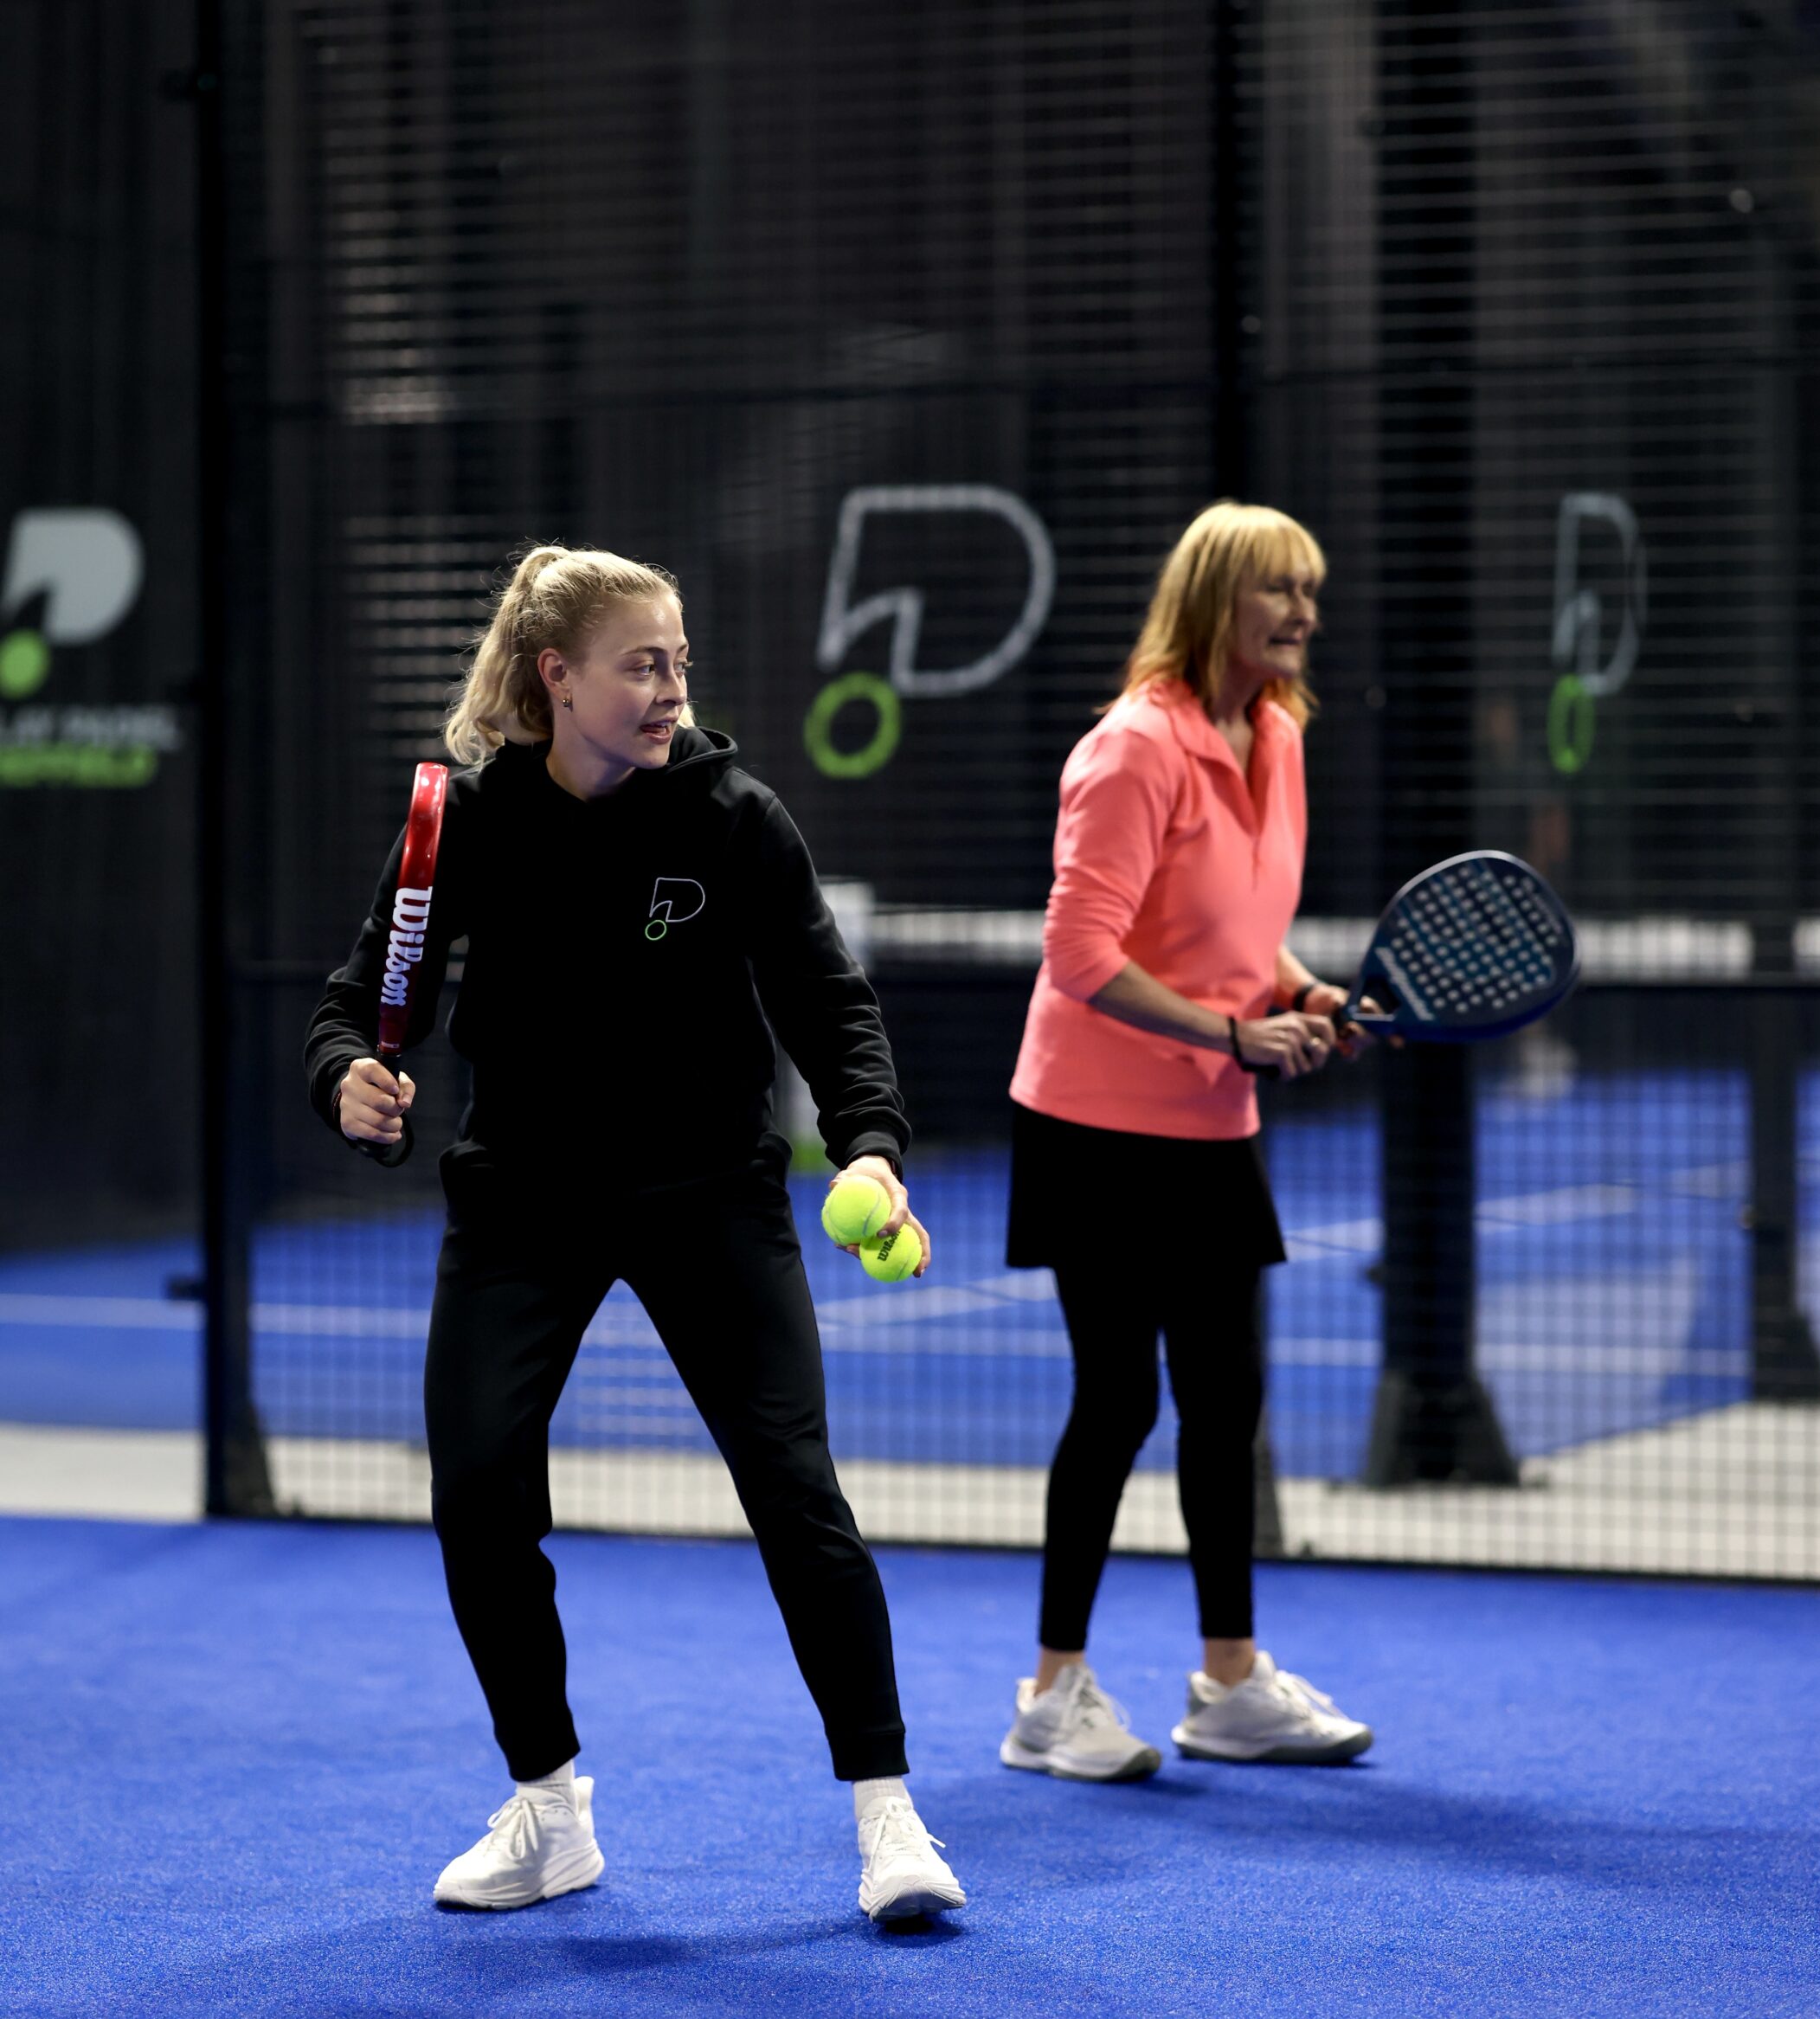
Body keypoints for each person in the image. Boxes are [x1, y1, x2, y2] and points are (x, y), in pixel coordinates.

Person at [305, 543, 965, 1923]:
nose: (671, 689)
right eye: (641, 665)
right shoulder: (467, 822)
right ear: (557, 677)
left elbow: (828, 1001)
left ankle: (889, 1815)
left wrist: (872, 1144)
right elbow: (361, 997)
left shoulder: (735, 817)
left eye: (679, 663)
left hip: (709, 1195)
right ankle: (548, 1812)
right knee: (478, 1491)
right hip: (523, 1200)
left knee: (795, 1492)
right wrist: (346, 1077)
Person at [1000, 500, 1376, 1782]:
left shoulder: (1277, 735)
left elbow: (1235, 927)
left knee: (1227, 1402)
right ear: (1217, 598)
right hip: (1094, 1123)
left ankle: (1228, 1685)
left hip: (1211, 1120)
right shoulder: (1132, 749)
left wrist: (1300, 991)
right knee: (1117, 1401)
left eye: (1311, 591)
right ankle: (1049, 1697)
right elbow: (1080, 952)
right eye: (1280, 589)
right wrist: (1233, 1032)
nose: (1304, 613)